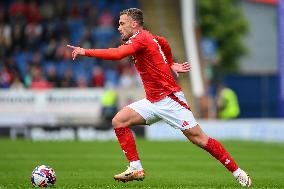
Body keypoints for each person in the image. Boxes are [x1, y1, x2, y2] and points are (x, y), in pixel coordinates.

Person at [67, 8, 252, 187]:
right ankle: (135, 168)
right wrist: (171, 64)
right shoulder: (147, 37)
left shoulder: (140, 39)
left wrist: (85, 51)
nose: (118, 27)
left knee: (200, 139)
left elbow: (117, 54)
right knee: (119, 121)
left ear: (134, 24)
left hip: (170, 100)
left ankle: (238, 173)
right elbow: (163, 41)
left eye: (122, 23)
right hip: (153, 101)